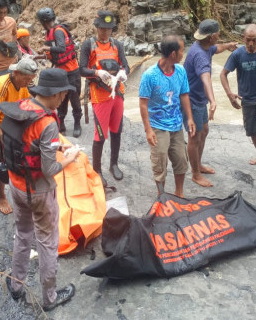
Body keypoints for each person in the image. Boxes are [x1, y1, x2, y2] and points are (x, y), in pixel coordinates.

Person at [4, 68, 79, 311]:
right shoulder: (47, 123)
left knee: (23, 234)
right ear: (56, 94)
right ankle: (49, 297)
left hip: (16, 185)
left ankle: (16, 285)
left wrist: (56, 149)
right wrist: (71, 156)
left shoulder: (23, 107)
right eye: (64, 94)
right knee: (47, 241)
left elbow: (28, 145)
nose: (64, 99)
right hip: (39, 191)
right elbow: (49, 169)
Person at [139, 36, 196, 198]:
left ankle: (179, 192)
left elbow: (184, 95)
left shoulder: (180, 71)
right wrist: (148, 130)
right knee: (160, 161)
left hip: (176, 125)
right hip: (157, 126)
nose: (183, 54)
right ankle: (162, 195)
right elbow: (143, 104)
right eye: (181, 50)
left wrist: (189, 118)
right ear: (173, 54)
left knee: (180, 159)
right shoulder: (150, 76)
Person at [0, 58, 37, 214]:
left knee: (16, 160)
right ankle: (2, 197)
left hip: (8, 126)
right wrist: (3, 138)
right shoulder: (1, 86)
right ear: (16, 73)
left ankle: (20, 191)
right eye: (26, 78)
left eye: (31, 79)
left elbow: (27, 102)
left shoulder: (22, 84)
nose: (29, 82)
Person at [183, 19, 237, 187]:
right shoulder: (199, 55)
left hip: (198, 99)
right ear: (212, 36)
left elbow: (216, 49)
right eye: (218, 34)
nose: (219, 37)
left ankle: (197, 164)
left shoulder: (205, 46)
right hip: (190, 100)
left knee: (204, 130)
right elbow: (205, 78)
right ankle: (195, 174)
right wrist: (213, 101)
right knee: (194, 136)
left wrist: (227, 45)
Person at [79, 10, 130, 187]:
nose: (105, 32)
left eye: (109, 29)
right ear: (97, 27)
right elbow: (81, 69)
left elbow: (126, 66)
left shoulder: (117, 45)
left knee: (116, 129)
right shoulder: (89, 45)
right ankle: (97, 170)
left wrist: (123, 73)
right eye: (102, 29)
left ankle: (113, 164)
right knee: (100, 134)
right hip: (100, 95)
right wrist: (97, 72)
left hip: (118, 93)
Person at [220, 24, 256, 171]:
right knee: (251, 131)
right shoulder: (237, 55)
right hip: (247, 98)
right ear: (243, 38)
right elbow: (223, 74)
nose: (251, 44)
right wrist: (230, 95)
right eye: (248, 40)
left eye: (254, 40)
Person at [37, 7, 83, 137]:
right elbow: (53, 54)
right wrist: (38, 57)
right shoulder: (49, 32)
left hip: (72, 71)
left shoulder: (57, 32)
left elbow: (61, 48)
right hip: (60, 72)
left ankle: (77, 123)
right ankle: (61, 123)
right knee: (60, 99)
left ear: (43, 21)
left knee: (74, 99)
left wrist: (46, 47)